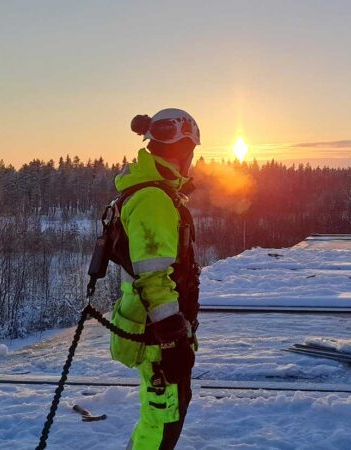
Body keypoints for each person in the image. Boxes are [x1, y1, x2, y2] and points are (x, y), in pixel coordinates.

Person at [110, 108, 202, 449]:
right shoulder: (153, 199)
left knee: (159, 417)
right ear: (184, 151)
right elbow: (152, 278)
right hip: (156, 337)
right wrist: (173, 341)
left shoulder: (154, 193)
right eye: (191, 152)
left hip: (154, 331)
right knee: (163, 422)